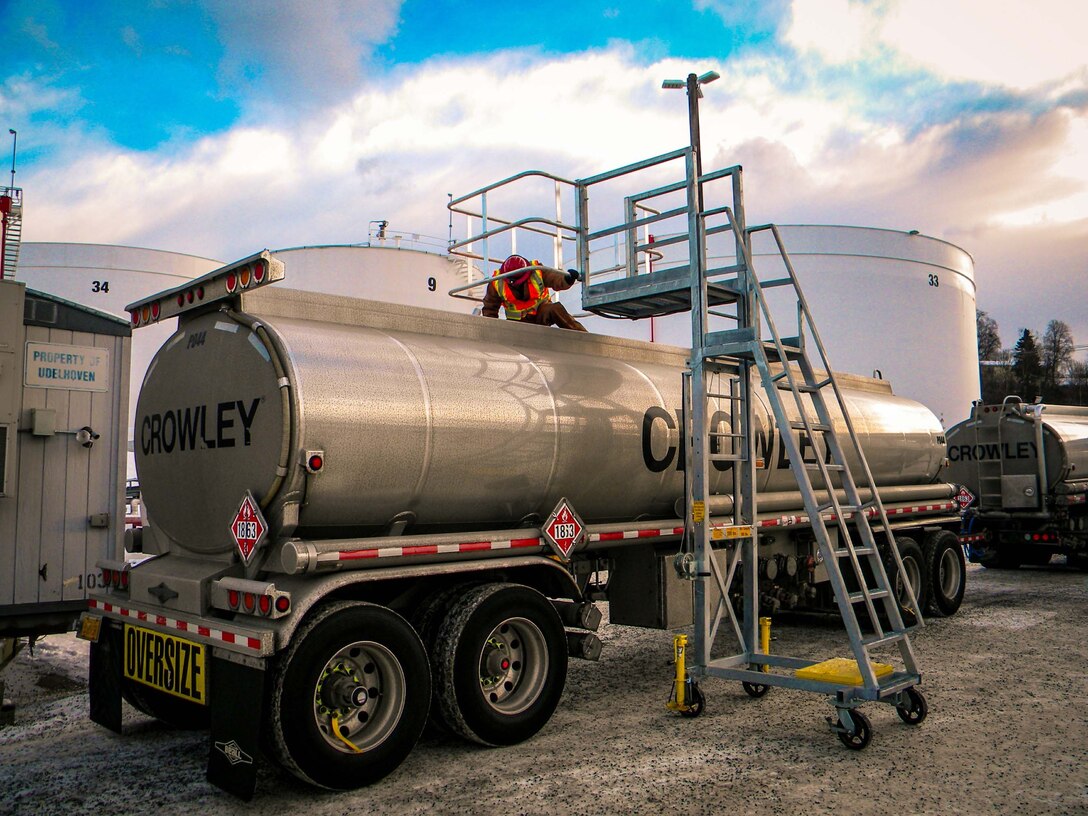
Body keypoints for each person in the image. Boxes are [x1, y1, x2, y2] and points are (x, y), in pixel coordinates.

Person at [481, 254, 588, 331]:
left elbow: (554, 278)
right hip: (518, 324)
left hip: (541, 314)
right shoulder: (496, 283)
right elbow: (490, 309)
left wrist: (567, 279)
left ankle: (582, 336)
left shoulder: (537, 270)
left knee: (555, 309)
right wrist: (492, 331)